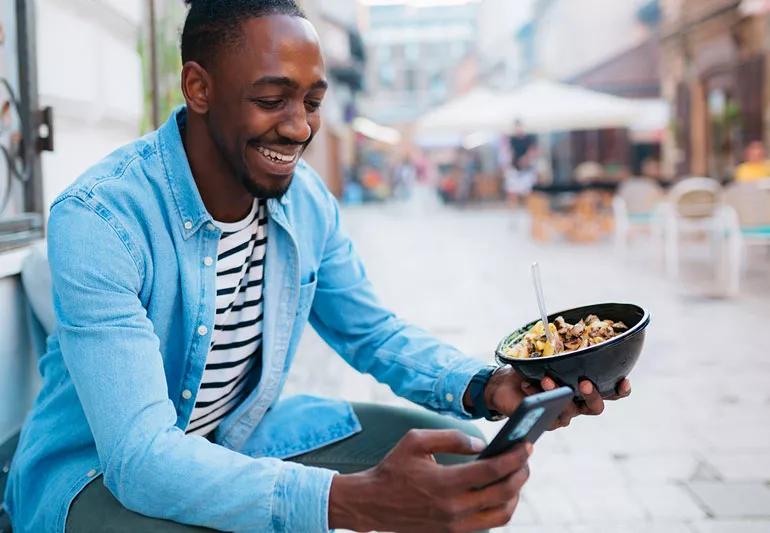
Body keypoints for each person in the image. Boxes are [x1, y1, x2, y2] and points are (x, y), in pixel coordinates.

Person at [4, 2, 631, 532]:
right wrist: (348, 501)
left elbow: (373, 333)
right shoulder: (101, 218)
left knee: (461, 467)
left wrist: (491, 387)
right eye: (271, 99)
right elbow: (141, 459)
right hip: (95, 476)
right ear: (198, 87)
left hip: (239, 435)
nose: (300, 127)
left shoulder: (305, 203)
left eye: (312, 101)